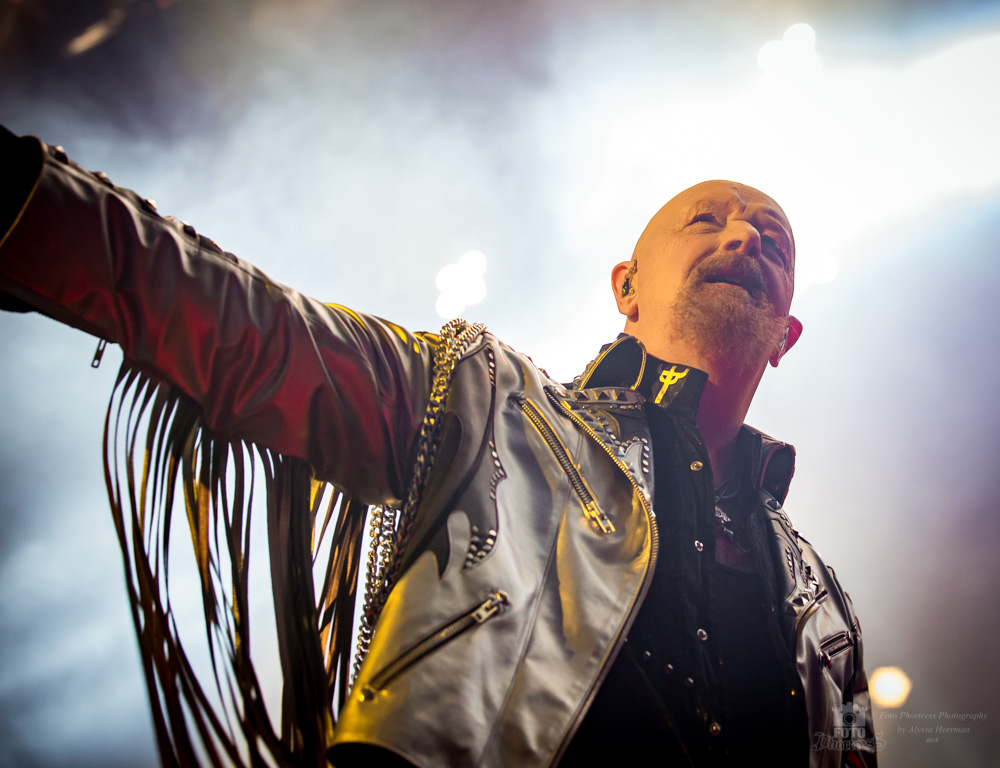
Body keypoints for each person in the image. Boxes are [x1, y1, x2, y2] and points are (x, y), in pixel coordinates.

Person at [0, 126, 877, 767]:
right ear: (627, 287)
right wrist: (32, 203)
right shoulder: (492, 403)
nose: (743, 238)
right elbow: (258, 329)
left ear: (785, 335)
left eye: (774, 240)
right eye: (708, 221)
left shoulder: (824, 608)